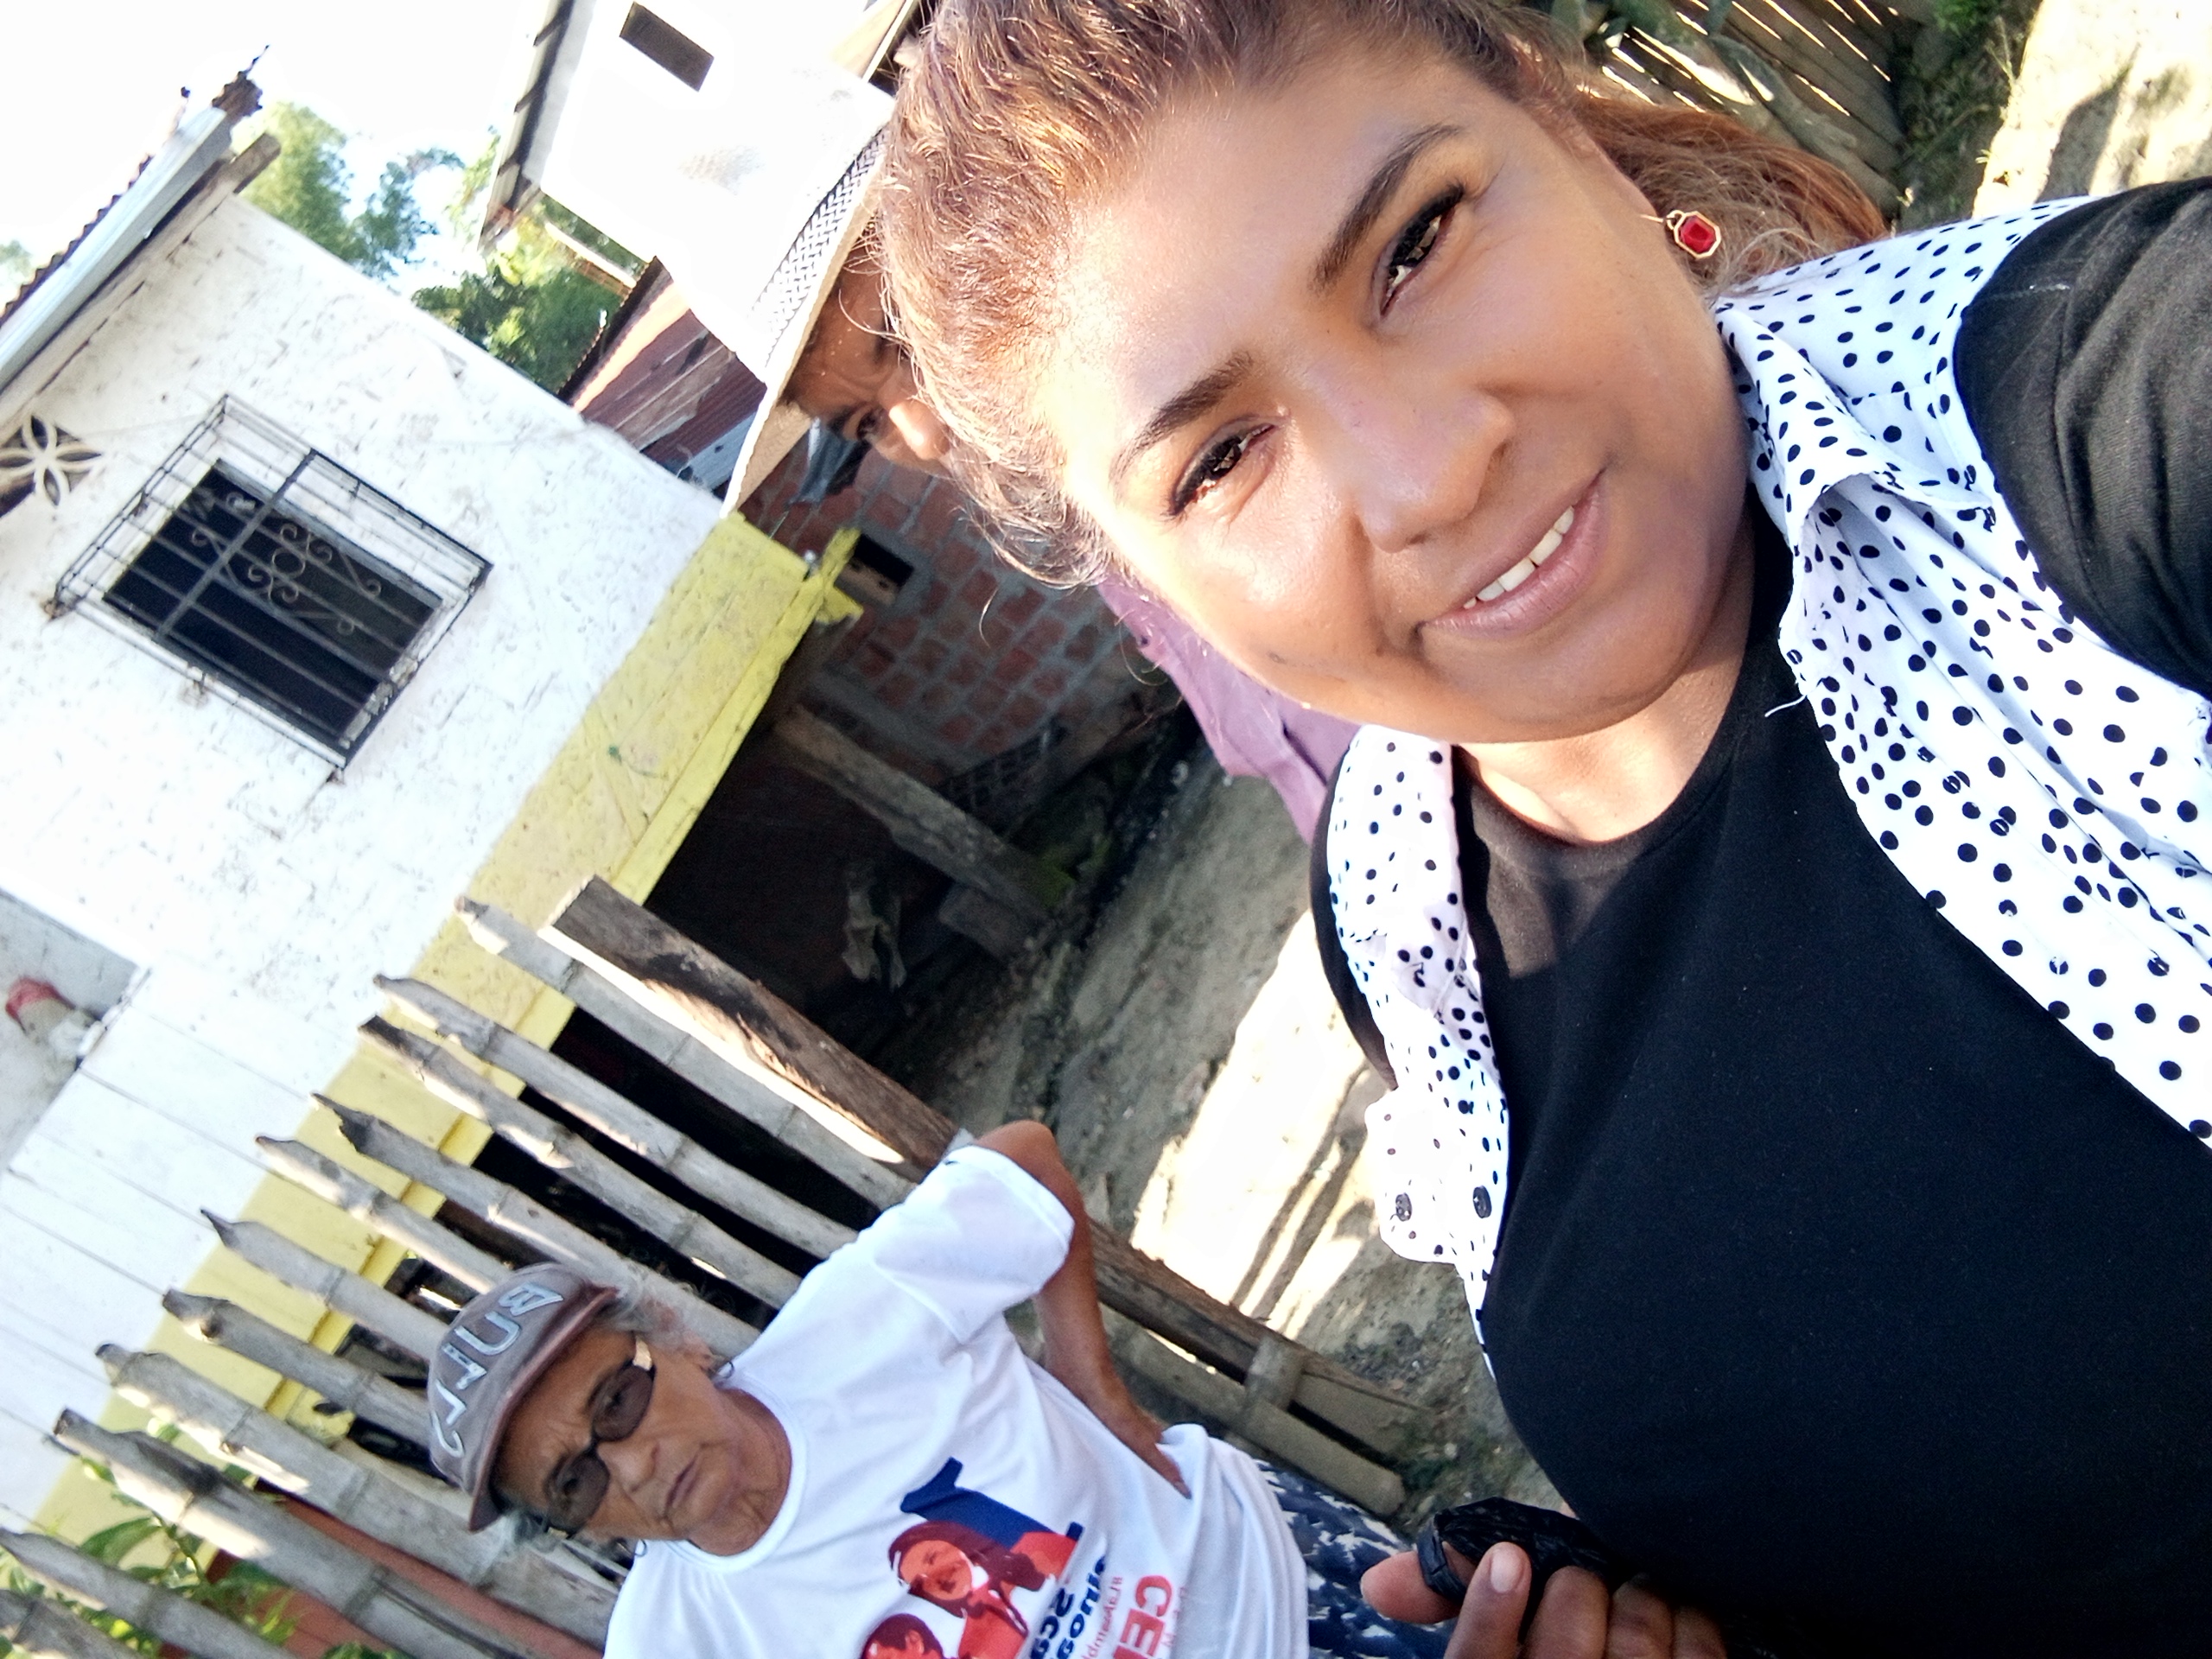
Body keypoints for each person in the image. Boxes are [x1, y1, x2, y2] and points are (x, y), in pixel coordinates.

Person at [871, 2, 2212, 1655]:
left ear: (1562, 125)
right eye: (1220, 459)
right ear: (1148, 592)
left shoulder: (2097, 433)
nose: (1425, 473)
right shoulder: (1395, 902)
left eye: (1417, 243)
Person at [643, 25, 1355, 836]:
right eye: (867, 424)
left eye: (910, 337)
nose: (924, 435)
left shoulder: (1288, 422)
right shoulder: (1105, 528)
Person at [423, 1122, 1446, 1659]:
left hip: (1275, 1584)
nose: (633, 1469)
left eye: (616, 1403)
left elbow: (1025, 1164)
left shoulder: (859, 1322)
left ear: (675, 1337)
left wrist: (1092, 1386)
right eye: (573, 1485)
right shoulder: (673, 1643)